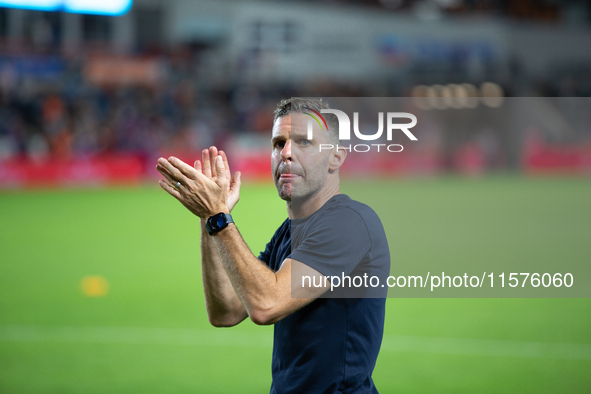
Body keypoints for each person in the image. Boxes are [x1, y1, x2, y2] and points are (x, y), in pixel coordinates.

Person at [156, 98, 390, 393]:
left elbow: (266, 305)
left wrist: (219, 217)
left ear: (336, 158)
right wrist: (208, 217)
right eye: (278, 143)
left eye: (304, 142)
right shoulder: (288, 232)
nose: (287, 153)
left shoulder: (349, 222)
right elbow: (226, 312)